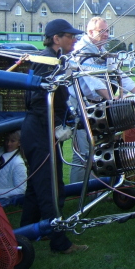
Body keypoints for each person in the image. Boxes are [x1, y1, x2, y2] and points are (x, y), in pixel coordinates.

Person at [20, 19, 88, 254]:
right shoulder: (46, 61)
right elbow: (39, 101)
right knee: (51, 187)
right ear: (56, 38)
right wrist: (57, 127)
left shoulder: (54, 60)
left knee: (36, 185)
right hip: (40, 131)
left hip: (39, 130)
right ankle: (59, 242)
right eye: (70, 36)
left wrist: (67, 118)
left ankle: (26, 234)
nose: (74, 40)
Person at [69, 17, 135, 183]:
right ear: (90, 32)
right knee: (84, 152)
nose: (106, 34)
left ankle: (101, 186)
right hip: (81, 105)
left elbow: (119, 74)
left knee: (103, 147)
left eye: (107, 31)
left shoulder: (102, 51)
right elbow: (90, 79)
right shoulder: (81, 51)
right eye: (102, 31)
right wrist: (111, 98)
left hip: (98, 106)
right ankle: (78, 189)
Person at [0, 130, 27, 207]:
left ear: (19, 143)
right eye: (7, 140)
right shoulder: (0, 151)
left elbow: (21, 190)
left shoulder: (18, 163)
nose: (8, 144)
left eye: (12, 141)